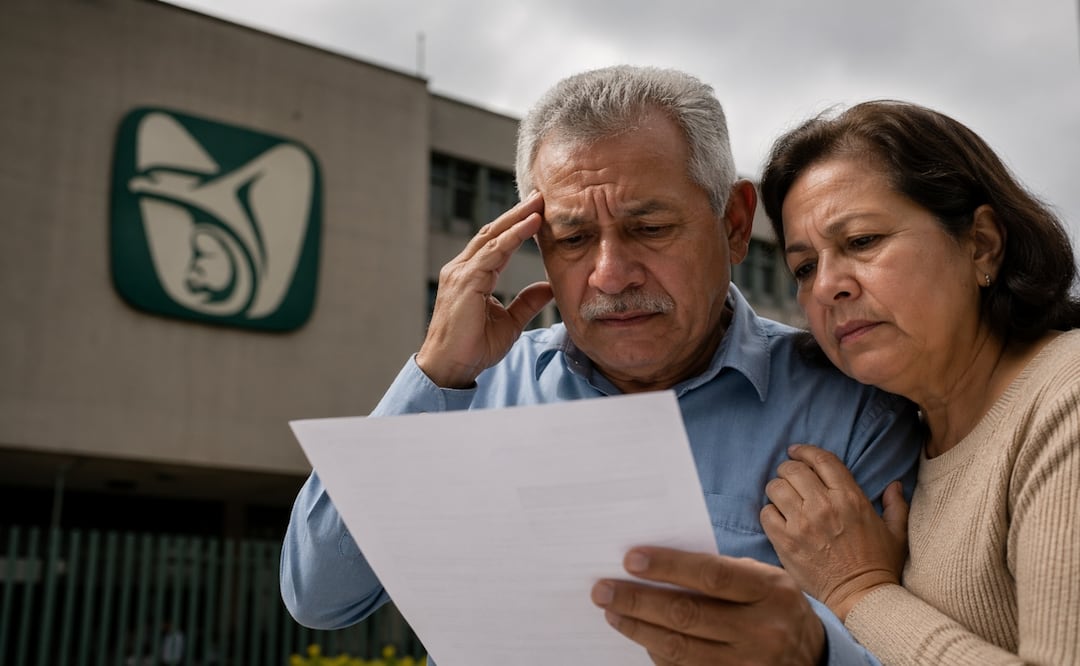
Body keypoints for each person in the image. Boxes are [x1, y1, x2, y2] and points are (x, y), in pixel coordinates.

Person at [281, 66, 923, 664]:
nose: (610, 275)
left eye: (649, 229)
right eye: (574, 239)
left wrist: (813, 649)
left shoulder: (855, 405)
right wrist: (434, 377)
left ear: (733, 223)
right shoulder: (470, 387)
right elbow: (319, 596)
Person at [757, 100, 1080, 664]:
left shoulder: (1066, 399)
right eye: (804, 267)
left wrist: (859, 591)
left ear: (982, 244)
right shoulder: (895, 434)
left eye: (861, 241)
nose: (828, 284)